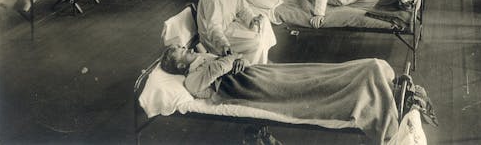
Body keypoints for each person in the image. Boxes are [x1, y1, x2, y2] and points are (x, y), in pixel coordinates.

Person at [158, 48, 400, 145]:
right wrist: (231, 58)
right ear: (179, 64)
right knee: (308, 87)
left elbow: (232, 58)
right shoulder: (191, 78)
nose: (186, 49)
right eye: (181, 50)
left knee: (311, 71)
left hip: (255, 73)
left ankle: (369, 74)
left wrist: (236, 58)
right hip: (247, 86)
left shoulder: (201, 60)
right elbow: (221, 67)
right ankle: (367, 84)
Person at [196, 0, 276, 64]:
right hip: (215, 38)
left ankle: (261, 56)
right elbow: (213, 27)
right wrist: (223, 44)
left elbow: (243, 8)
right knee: (256, 41)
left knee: (263, 20)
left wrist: (252, 19)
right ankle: (253, 67)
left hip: (228, 26)